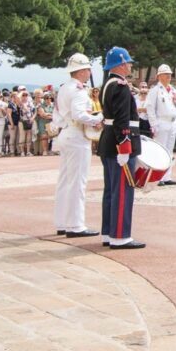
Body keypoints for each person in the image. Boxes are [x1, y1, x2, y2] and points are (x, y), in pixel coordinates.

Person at [98, 46, 145, 249]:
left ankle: (109, 232)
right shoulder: (120, 86)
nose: (131, 65)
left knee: (111, 190)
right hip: (120, 144)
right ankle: (120, 236)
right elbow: (122, 120)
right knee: (123, 192)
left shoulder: (107, 84)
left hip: (108, 142)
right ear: (121, 64)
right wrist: (125, 147)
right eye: (128, 62)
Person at [53, 53, 104, 237]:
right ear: (81, 71)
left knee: (65, 180)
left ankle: (62, 221)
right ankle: (75, 225)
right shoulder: (79, 90)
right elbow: (79, 114)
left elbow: (57, 116)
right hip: (76, 135)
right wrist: (98, 118)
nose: (90, 72)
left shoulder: (65, 88)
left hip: (66, 132)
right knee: (77, 182)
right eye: (88, 69)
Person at [145, 64, 176, 186]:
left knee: (169, 150)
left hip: (172, 122)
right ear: (159, 76)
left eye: (170, 74)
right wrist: (153, 124)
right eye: (166, 74)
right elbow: (150, 108)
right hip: (161, 122)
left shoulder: (174, 91)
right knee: (160, 150)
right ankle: (157, 177)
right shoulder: (155, 90)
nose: (169, 76)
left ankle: (167, 176)